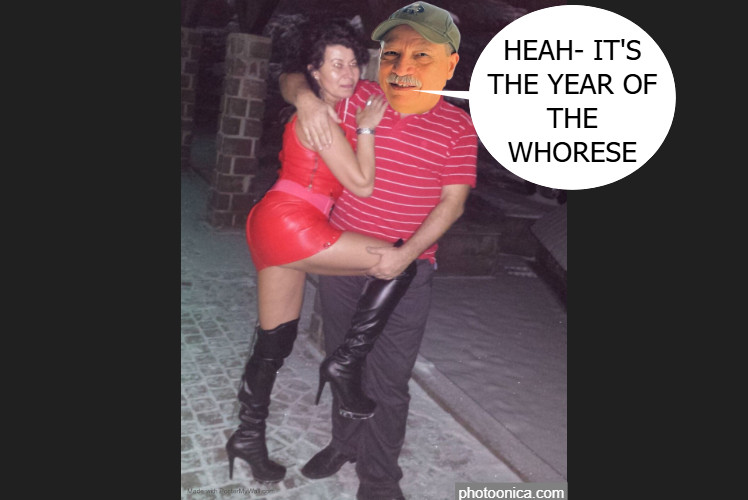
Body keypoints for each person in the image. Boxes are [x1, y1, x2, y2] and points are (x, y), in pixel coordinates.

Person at [280, 3, 477, 499]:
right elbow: (292, 76)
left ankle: (380, 479)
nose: (404, 64)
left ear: (448, 63)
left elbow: (452, 204)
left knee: (389, 380)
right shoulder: (361, 97)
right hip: (343, 259)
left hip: (406, 271)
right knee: (342, 360)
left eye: (422, 53)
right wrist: (305, 100)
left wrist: (406, 255)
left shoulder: (458, 127)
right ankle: (344, 443)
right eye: (395, 51)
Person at [226, 19, 421, 485]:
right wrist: (366, 130)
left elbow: (288, 77)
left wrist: (306, 95)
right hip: (293, 224)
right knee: (397, 261)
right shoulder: (324, 119)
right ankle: (345, 363)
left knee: (275, 341)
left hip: (274, 222)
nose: (348, 73)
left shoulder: (320, 106)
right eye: (336, 65)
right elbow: (362, 184)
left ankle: (247, 437)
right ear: (315, 71)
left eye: (353, 63)